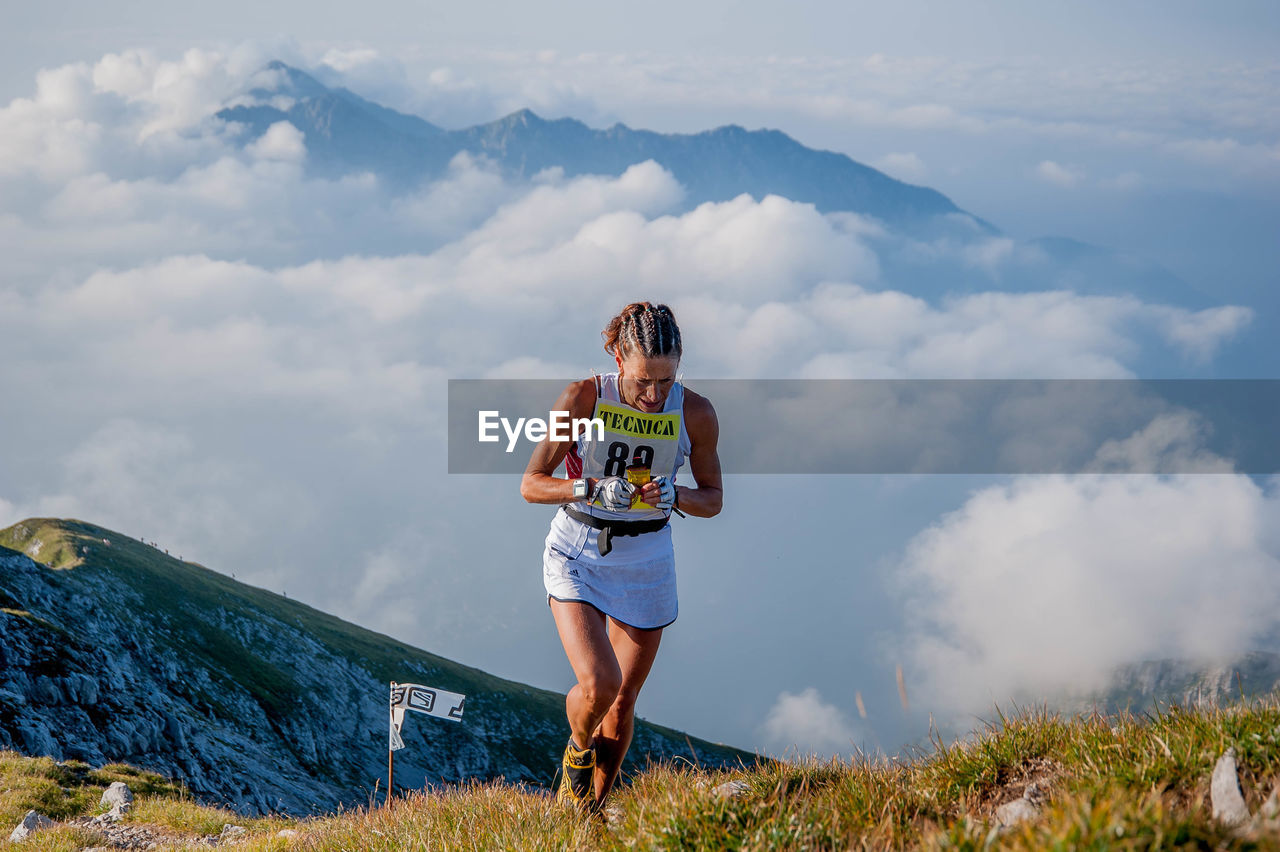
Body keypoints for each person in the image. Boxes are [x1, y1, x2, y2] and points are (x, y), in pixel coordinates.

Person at [520, 301, 723, 812]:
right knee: (599, 684)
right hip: (578, 549)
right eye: (642, 381)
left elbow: (713, 499)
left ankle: (585, 817)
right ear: (617, 359)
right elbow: (531, 483)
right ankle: (577, 748)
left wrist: (675, 495)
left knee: (623, 702)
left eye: (665, 380)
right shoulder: (583, 398)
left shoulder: (695, 412)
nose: (654, 396)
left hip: (647, 556)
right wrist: (587, 487)